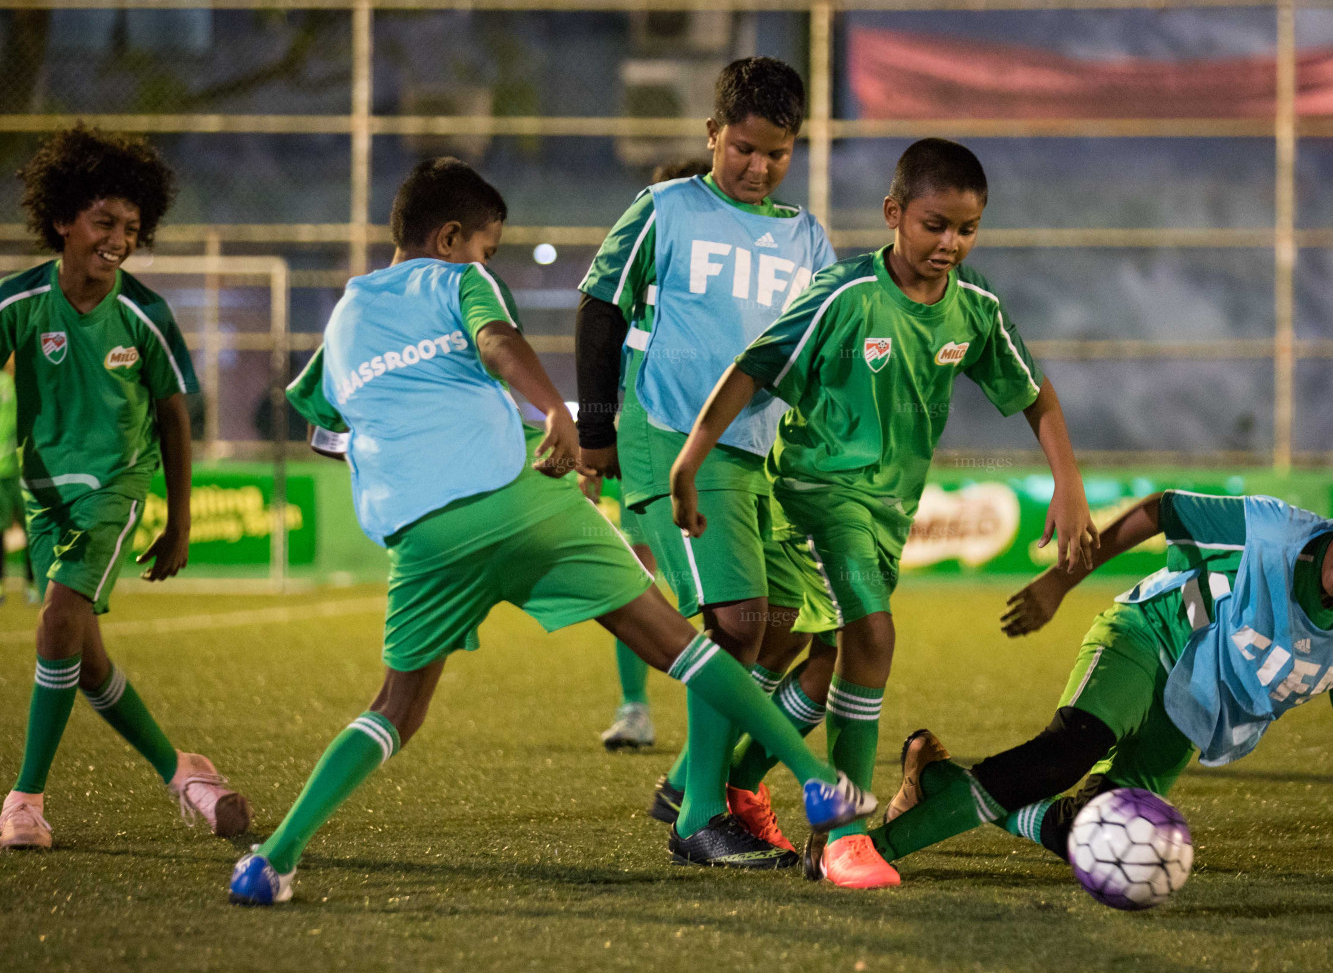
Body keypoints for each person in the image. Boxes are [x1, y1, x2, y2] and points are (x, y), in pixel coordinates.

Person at [228, 157, 873, 906]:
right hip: (518, 498)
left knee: (393, 710)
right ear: (449, 238)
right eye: (487, 249)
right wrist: (559, 413)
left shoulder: (341, 322)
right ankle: (817, 779)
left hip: (423, 537)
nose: (487, 263)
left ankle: (273, 859)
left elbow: (326, 431)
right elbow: (499, 344)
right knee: (686, 644)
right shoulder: (455, 279)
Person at [670, 138, 1097, 888]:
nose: (950, 244)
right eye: (935, 225)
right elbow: (754, 366)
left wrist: (1070, 487)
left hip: (886, 511)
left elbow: (1036, 395)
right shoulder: (846, 296)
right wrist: (691, 457)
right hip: (813, 496)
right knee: (872, 633)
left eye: (966, 229)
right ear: (894, 214)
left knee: (825, 655)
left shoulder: (975, 308)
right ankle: (841, 834)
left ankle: (737, 784)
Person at [871, 486, 1333, 882]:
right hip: (1147, 637)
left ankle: (936, 775)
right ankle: (869, 851)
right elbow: (1159, 510)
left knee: (1096, 835)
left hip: (1194, 708)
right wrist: (1060, 580)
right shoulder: (1269, 531)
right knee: (1065, 753)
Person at [576, 58, 840, 867]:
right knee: (736, 625)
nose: (759, 168)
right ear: (713, 135)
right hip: (672, 436)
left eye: (777, 154)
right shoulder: (664, 209)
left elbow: (824, 345)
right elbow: (599, 305)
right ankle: (698, 817)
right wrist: (595, 432)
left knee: (789, 625)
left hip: (766, 454)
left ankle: (699, 774)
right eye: (744, 150)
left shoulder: (807, 236)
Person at [0, 125, 251, 850]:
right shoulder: (18, 304)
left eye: (132, 228)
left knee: (57, 618)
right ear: (62, 221)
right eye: (105, 222)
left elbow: (175, 415)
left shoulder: (145, 314)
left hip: (117, 486)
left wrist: (179, 519)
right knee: (85, 661)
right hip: (44, 492)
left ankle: (25, 800)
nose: (119, 239)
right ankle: (185, 774)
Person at [597, 156, 711, 754]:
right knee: (636, 577)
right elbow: (612, 355)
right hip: (646, 446)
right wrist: (599, 442)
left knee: (735, 598)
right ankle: (635, 707)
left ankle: (726, 727)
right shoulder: (643, 288)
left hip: (728, 452)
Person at [0, 361, 39, 605]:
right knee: (30, 530)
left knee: (29, 531)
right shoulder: (16, 383)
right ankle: (31, 586)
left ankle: (30, 585)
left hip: (20, 471)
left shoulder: (22, 383)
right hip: (16, 471)